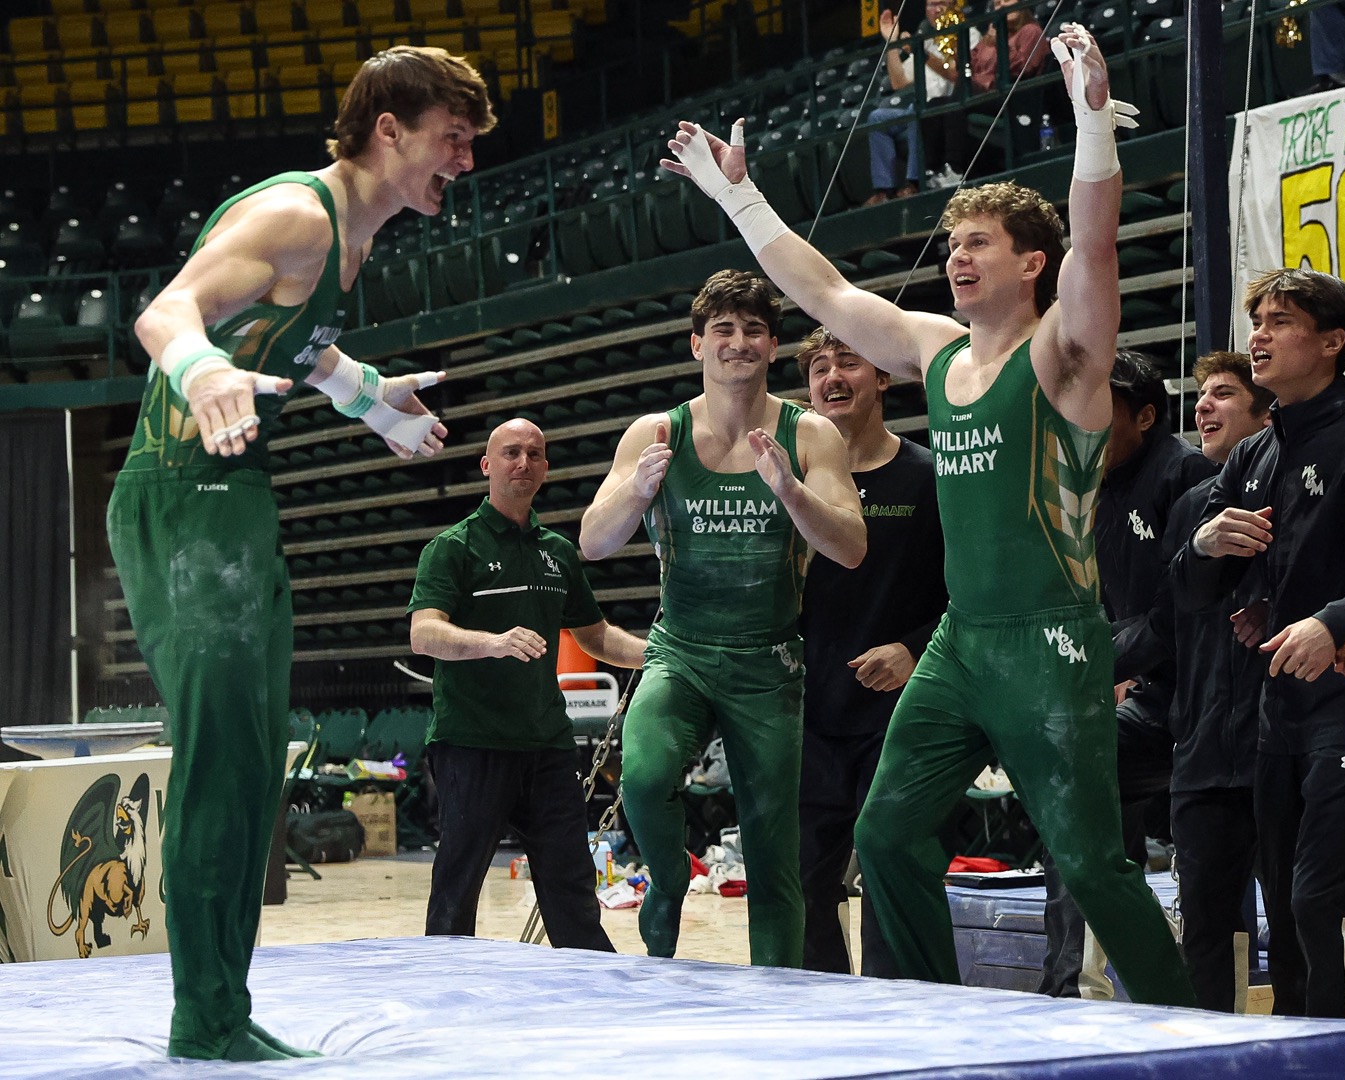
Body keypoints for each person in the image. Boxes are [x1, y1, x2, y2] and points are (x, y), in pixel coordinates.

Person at [657, 23, 1193, 1006]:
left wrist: (1089, 119)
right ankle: (943, 1017)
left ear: (1032, 263)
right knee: (886, 833)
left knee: (1088, 859)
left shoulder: (1067, 355)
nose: (956, 257)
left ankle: (1197, 1030)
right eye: (951, 244)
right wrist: (736, 192)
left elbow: (1101, 241)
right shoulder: (938, 353)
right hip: (963, 642)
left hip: (1051, 643)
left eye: (976, 243)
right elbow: (819, 287)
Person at [109, 45, 488, 1061]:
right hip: (184, 499)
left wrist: (373, 403)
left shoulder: (347, 244)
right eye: (451, 138)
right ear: (389, 129)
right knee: (223, 766)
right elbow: (165, 313)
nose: (463, 159)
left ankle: (223, 1006)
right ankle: (204, 1018)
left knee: (252, 768)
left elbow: (301, 341)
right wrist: (201, 371)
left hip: (232, 496)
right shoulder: (296, 216)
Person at [1167, 268, 1345, 1076]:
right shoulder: (1252, 453)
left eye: (1278, 321)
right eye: (1256, 319)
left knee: (1321, 897)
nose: (1258, 334)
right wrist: (1203, 548)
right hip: (1274, 705)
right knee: (1302, 907)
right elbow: (1190, 593)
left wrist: (1331, 621)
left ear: (1330, 342)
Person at [579, 270, 867, 969]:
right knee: (643, 779)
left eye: (752, 331)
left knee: (773, 850)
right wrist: (637, 492)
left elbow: (852, 547)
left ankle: (776, 993)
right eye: (723, 331)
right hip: (681, 653)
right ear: (696, 345)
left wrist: (791, 492)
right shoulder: (657, 432)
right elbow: (592, 541)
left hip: (766, 662)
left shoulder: (811, 435)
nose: (738, 343)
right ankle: (668, 882)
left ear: (772, 345)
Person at [407, 419, 649, 952]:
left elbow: (598, 636)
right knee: (458, 879)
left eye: (535, 453)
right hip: (472, 742)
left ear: (545, 468)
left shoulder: (558, 552)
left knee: (569, 882)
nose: (524, 462)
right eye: (511, 452)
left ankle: (590, 978)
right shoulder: (453, 548)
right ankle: (442, 981)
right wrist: (491, 642)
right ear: (487, 466)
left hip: (547, 746)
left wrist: (658, 655)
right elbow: (424, 633)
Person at [1039, 348, 1217, 999]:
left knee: (1211, 847)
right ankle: (1072, 988)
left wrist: (1103, 659)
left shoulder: (1189, 475)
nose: (1078, 420)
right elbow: (1104, 607)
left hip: (1213, 704)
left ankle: (1192, 983)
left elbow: (1183, 614)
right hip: (1152, 696)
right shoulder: (1090, 487)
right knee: (1077, 779)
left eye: (1097, 407)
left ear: (1144, 415)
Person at [794, 327, 947, 976]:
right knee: (801, 885)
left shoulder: (928, 478)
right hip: (805, 713)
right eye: (819, 366)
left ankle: (902, 1016)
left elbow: (968, 594)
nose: (832, 377)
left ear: (883, 378)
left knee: (892, 869)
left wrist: (914, 650)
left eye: (848, 363)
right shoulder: (789, 480)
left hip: (897, 711)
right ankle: (821, 1020)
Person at [1147, 350, 1274, 1011]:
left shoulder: (1301, 487)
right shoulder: (1193, 504)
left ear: (1264, 411)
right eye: (1201, 395)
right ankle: (1213, 1052)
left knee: (1327, 907)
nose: (1202, 406)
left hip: (1281, 737)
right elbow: (1174, 618)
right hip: (1202, 747)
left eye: (1223, 394)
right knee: (1205, 923)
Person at [868, 0, 975, 203]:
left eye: (941, 3)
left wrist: (920, 53)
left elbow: (955, 74)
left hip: (946, 109)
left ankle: (915, 182)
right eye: (930, 5)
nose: (935, 9)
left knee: (920, 113)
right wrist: (892, 43)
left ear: (953, 6)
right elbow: (898, 82)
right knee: (877, 117)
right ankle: (884, 189)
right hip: (919, 107)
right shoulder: (927, 41)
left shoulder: (965, 33)